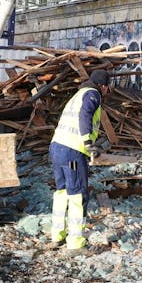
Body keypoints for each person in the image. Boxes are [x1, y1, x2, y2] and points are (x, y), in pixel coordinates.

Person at [48, 69, 107, 249]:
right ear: (103, 86)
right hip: (72, 150)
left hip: (56, 146)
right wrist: (88, 143)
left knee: (62, 192)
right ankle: (75, 244)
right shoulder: (93, 95)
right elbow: (85, 116)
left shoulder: (78, 94)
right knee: (77, 195)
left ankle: (57, 236)